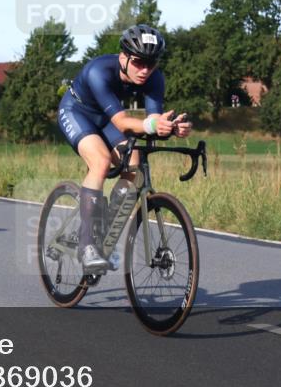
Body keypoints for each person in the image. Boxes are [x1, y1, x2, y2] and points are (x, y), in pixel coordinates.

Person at [57, 25, 192, 272]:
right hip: (76, 112)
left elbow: (152, 121)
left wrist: (170, 128)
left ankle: (104, 227)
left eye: (151, 64)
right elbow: (122, 122)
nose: (145, 70)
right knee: (101, 162)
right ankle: (86, 245)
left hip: (106, 119)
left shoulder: (154, 79)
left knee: (134, 163)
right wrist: (152, 124)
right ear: (123, 58)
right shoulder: (99, 71)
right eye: (139, 62)